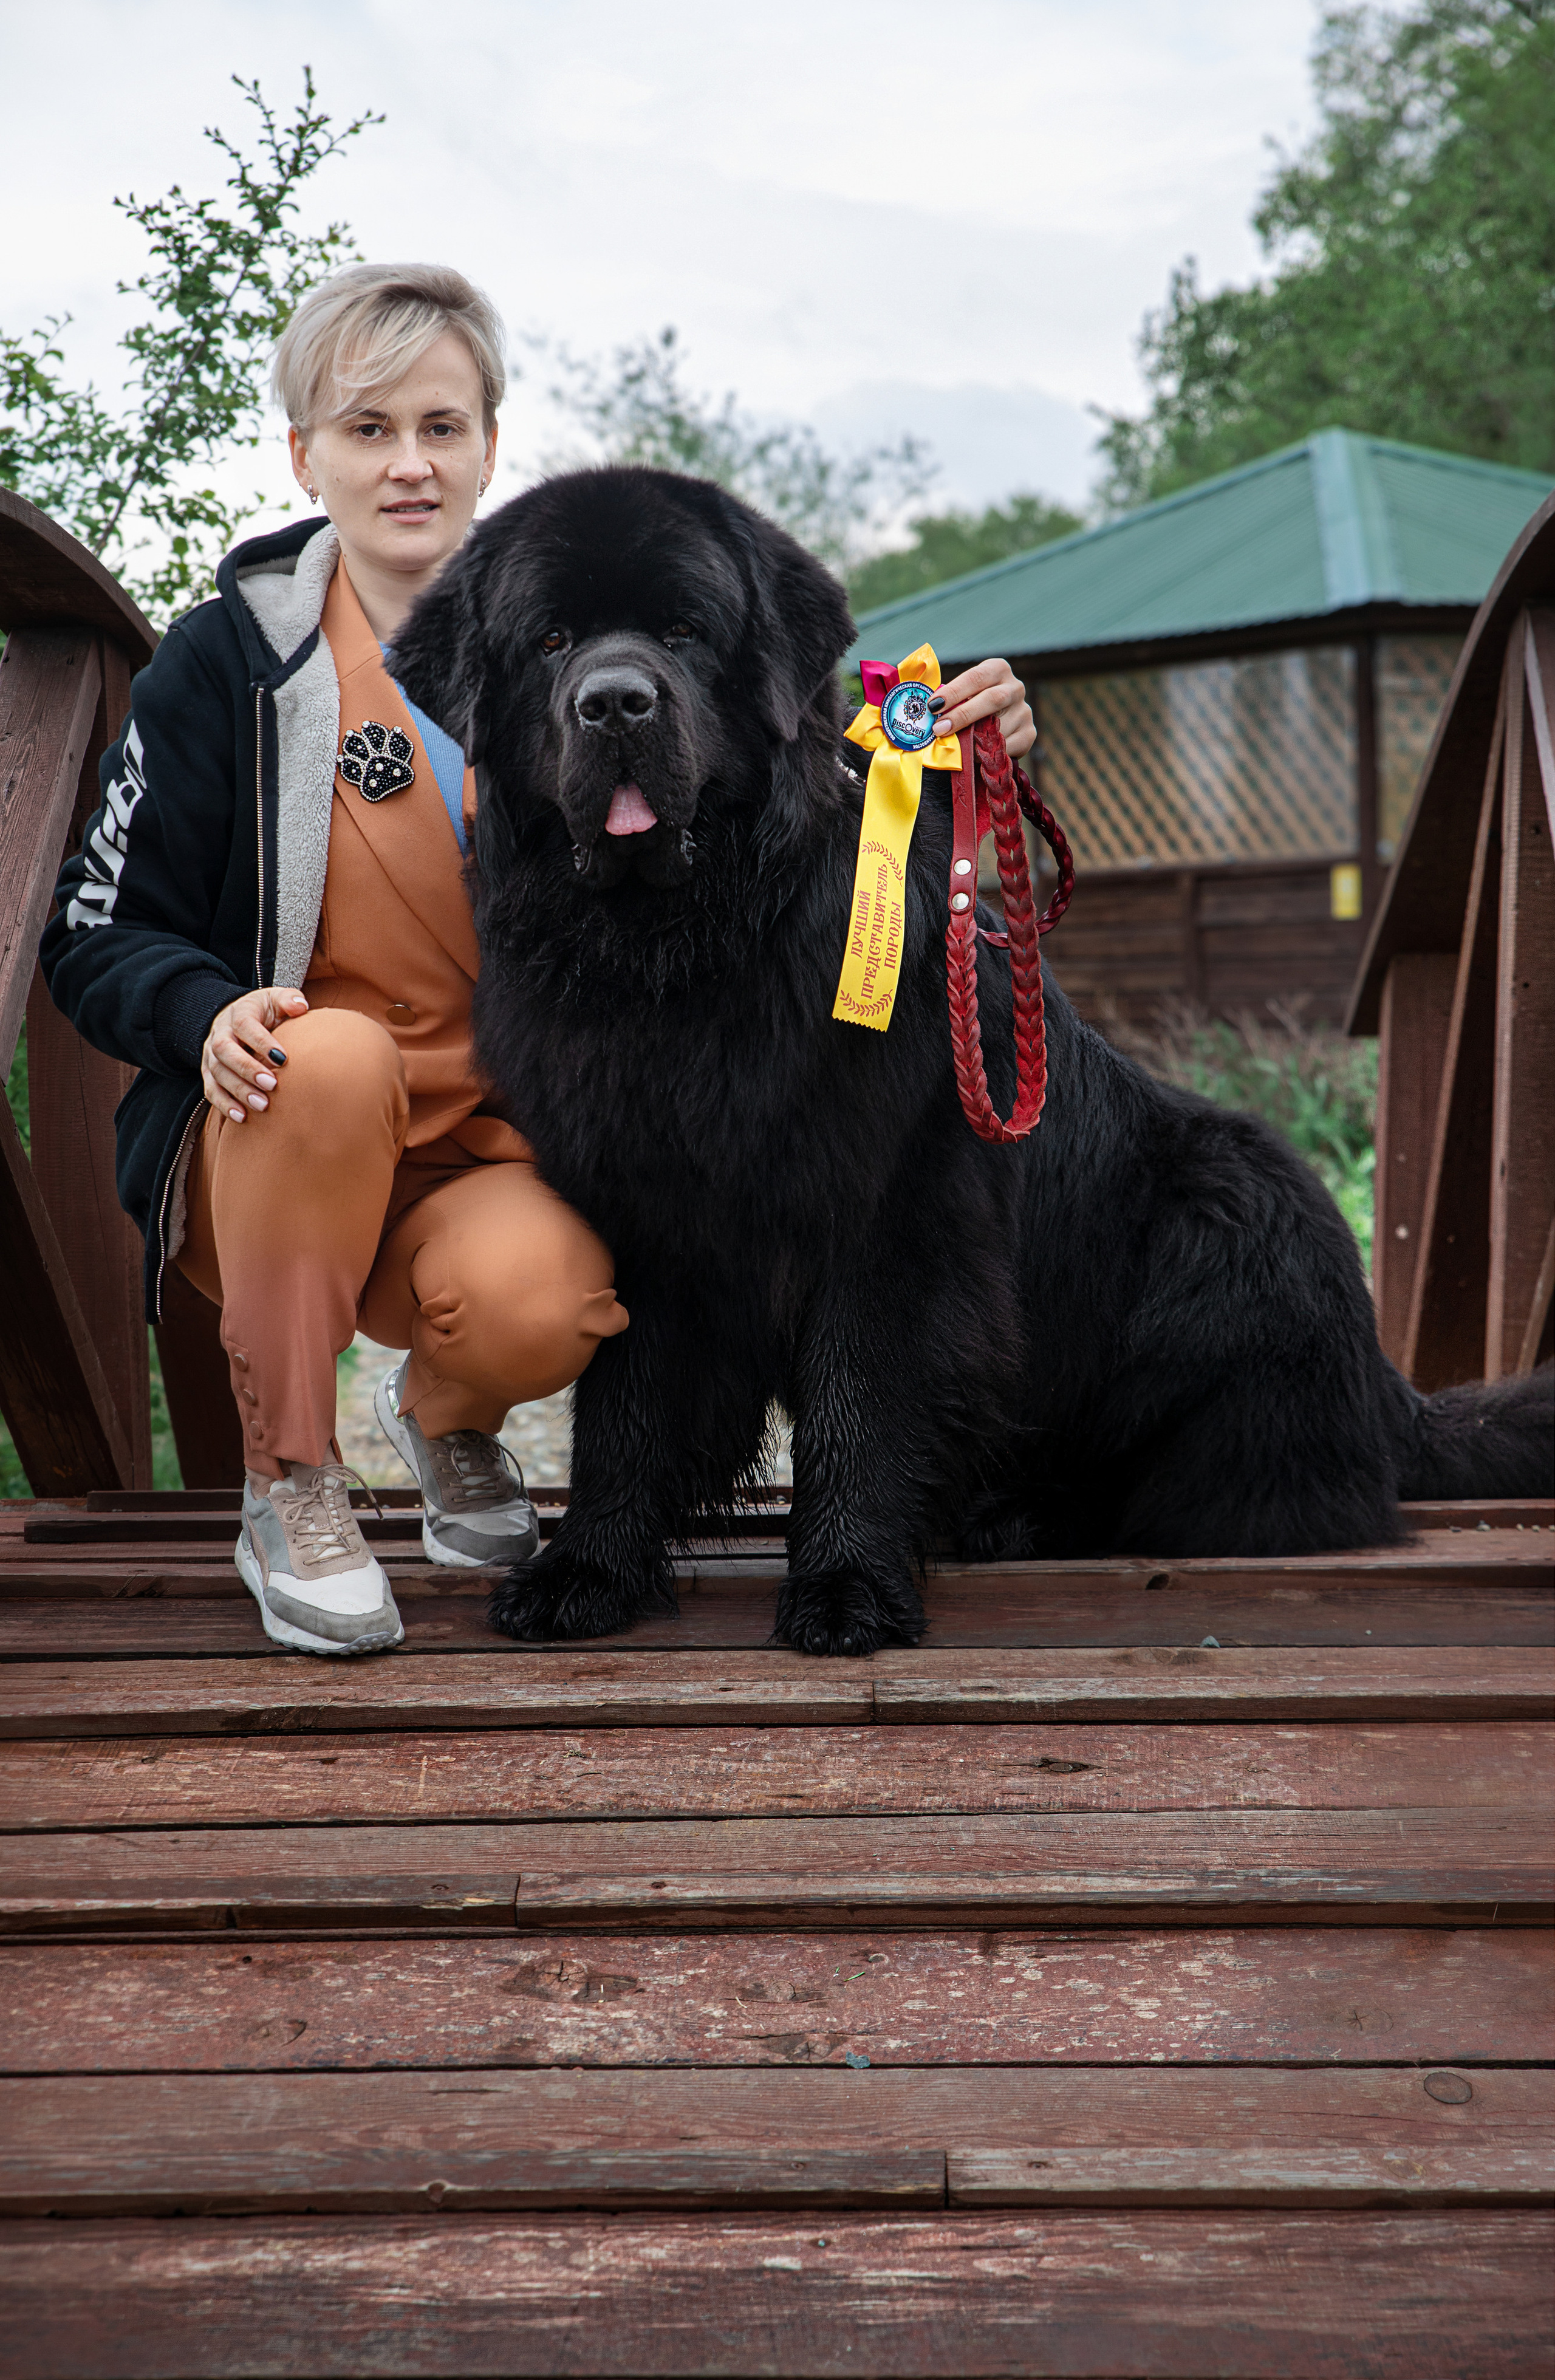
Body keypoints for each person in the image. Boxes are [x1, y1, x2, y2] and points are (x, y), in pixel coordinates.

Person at [41, 262, 1037, 1657]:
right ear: (302, 454)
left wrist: (949, 751)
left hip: (493, 1154)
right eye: (366, 428)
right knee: (321, 1059)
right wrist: (197, 1007)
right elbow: (90, 932)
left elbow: (799, 766)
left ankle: (448, 1425)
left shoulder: (565, 615)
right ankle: (290, 1487)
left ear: (489, 444)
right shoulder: (225, 665)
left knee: (558, 1296)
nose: (406, 465)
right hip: (286, 1143)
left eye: (440, 428)